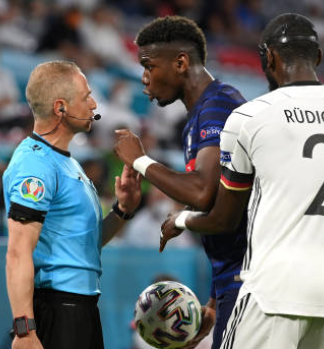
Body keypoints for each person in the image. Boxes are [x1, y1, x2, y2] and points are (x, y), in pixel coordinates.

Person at [160, 13, 324, 348]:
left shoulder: (248, 117)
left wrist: (181, 218)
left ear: (269, 57)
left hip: (272, 295)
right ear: (318, 57)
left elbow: (224, 219)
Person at [113, 15, 248, 349]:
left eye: (148, 66)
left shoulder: (219, 105)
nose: (143, 79)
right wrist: (215, 300)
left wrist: (140, 160)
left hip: (252, 283)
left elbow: (202, 192)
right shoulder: (198, 118)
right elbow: (224, 211)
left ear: (181, 62)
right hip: (233, 282)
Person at [3, 60, 142, 349]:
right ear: (60, 107)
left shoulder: (68, 163)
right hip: (55, 312)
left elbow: (84, 245)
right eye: (86, 97)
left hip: (81, 310)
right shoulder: (35, 164)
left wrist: (122, 210)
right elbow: (18, 252)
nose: (94, 104)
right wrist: (25, 330)